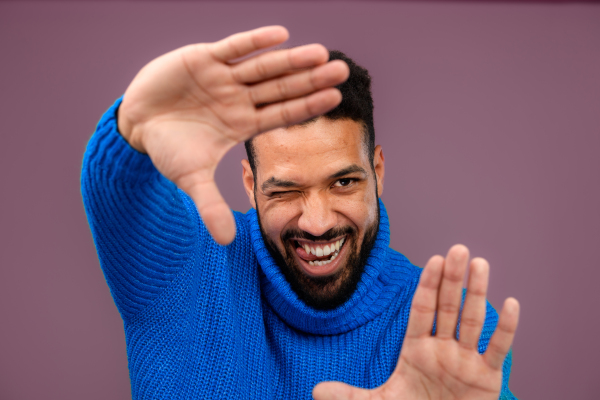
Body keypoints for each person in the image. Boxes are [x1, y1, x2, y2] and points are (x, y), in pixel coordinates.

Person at [81, 26, 519, 399]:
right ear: (251, 184)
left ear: (378, 171)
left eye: (343, 182)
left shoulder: (446, 326)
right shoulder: (188, 265)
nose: (317, 222)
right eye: (286, 191)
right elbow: (122, 188)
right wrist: (134, 130)